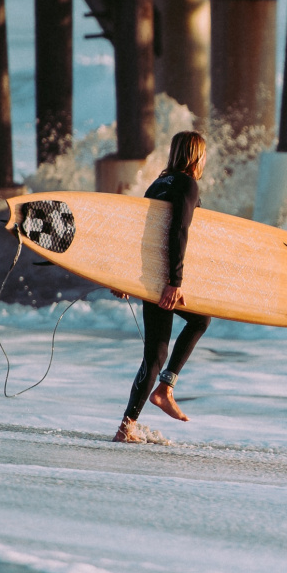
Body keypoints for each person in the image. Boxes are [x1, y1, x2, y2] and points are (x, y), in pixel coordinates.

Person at [115, 132, 212, 443]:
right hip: (163, 278)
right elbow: (178, 232)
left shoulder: (158, 185)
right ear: (197, 156)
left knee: (155, 354)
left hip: (147, 275)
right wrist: (175, 281)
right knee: (200, 320)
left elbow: (140, 234)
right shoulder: (187, 184)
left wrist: (124, 277)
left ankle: (127, 426)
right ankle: (165, 388)